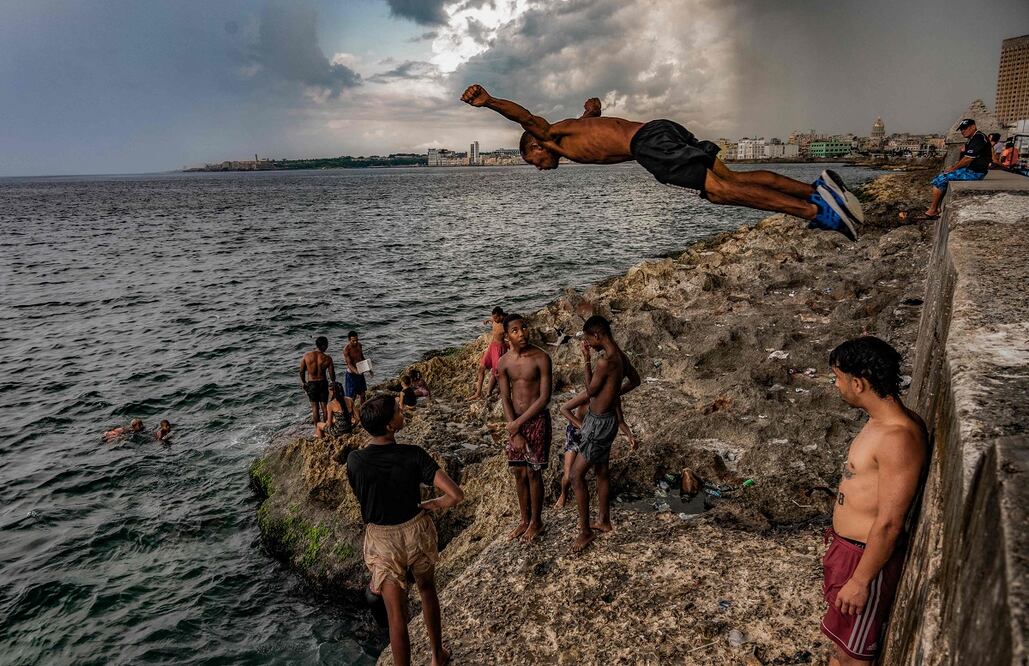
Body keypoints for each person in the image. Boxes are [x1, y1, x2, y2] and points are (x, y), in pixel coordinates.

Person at [461, 84, 863, 241]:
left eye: (532, 160)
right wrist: (594, 108)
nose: (537, 167)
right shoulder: (572, 132)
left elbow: (525, 117)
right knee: (728, 179)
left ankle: (819, 212)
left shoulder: (549, 135)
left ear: (536, 146)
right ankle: (816, 188)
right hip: (660, 129)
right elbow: (593, 120)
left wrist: (490, 102)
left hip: (649, 145)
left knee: (723, 192)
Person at [821, 336, 927, 665]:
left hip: (864, 559)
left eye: (838, 378)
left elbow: (891, 521)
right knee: (841, 645)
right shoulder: (878, 423)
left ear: (858, 382)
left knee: (854, 656)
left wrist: (860, 580)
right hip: (847, 552)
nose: (837, 386)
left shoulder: (898, 437)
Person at [346, 394, 462, 666]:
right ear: (390, 426)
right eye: (397, 410)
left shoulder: (355, 461)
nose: (401, 410)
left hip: (383, 539)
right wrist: (432, 503)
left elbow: (362, 496)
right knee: (427, 590)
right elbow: (455, 495)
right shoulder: (414, 455)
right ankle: (437, 656)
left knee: (396, 617)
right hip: (416, 530)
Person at [560, 316, 640, 551]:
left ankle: (585, 532)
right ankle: (604, 520)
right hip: (609, 421)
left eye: (587, 338)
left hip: (597, 424)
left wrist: (586, 362)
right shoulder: (621, 356)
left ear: (597, 335)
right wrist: (614, 394)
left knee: (576, 476)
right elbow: (636, 380)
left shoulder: (605, 362)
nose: (588, 343)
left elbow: (590, 392)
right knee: (602, 471)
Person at [496, 313, 553, 543]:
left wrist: (516, 426)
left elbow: (545, 397)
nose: (522, 333)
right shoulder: (504, 362)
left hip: (537, 420)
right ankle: (524, 519)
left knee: (533, 472)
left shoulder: (541, 357)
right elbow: (505, 397)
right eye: (516, 330)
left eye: (524, 328)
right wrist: (515, 430)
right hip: (515, 422)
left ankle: (536, 522)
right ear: (507, 335)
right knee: (519, 473)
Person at [924, 119, 991, 219]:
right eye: (961, 129)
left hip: (975, 173)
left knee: (940, 180)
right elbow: (966, 158)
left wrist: (953, 168)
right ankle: (936, 208)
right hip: (971, 171)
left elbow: (968, 159)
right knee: (941, 177)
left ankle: (932, 210)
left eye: (965, 128)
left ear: (973, 127)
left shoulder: (979, 138)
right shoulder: (974, 138)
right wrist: (953, 168)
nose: (962, 131)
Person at [468, 307, 508, 401]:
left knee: (496, 372)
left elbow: (511, 337)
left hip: (499, 348)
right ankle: (478, 393)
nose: (494, 320)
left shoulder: (506, 324)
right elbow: (492, 319)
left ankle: (495, 393)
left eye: (495, 318)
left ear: (501, 316)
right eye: (492, 318)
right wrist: (488, 320)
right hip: (492, 346)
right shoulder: (495, 319)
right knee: (481, 367)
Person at [555, 402, 586, 510]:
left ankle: (582, 500)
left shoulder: (608, 394)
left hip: (592, 434)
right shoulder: (589, 393)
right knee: (568, 475)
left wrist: (628, 435)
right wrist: (582, 426)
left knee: (583, 471)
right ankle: (563, 494)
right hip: (576, 431)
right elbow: (563, 409)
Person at [300, 336, 336, 427]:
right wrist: (333, 382)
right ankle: (327, 427)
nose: (327, 347)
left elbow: (301, 371)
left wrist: (304, 382)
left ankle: (318, 430)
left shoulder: (306, 356)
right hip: (322, 383)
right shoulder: (327, 358)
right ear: (323, 346)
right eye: (327, 345)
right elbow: (332, 373)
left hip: (311, 384)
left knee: (315, 408)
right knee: (324, 408)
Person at [343, 331, 369, 411]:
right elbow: (349, 364)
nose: (355, 342)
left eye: (357, 340)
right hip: (351, 375)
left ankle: (362, 410)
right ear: (349, 340)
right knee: (351, 397)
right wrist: (356, 372)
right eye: (353, 341)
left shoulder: (359, 345)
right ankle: (350, 413)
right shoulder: (346, 349)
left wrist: (368, 368)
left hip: (360, 373)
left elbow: (362, 357)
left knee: (363, 394)